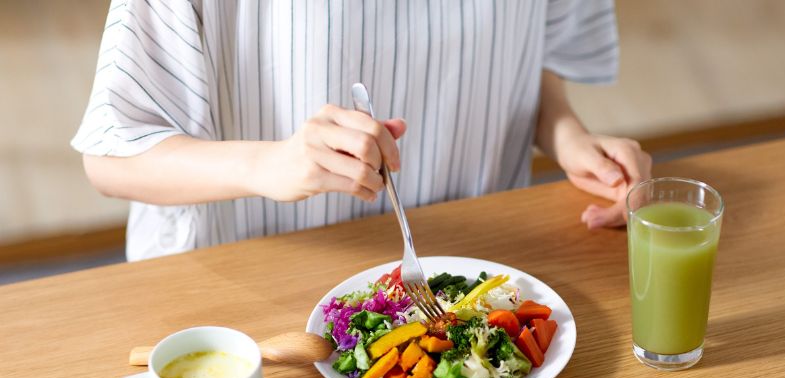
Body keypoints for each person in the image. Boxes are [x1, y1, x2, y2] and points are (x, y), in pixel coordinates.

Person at [73, 0, 651, 261]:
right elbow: (112, 154)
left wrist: (566, 134)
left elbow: (533, 44)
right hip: (256, 282)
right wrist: (268, 164)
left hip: (475, 262)